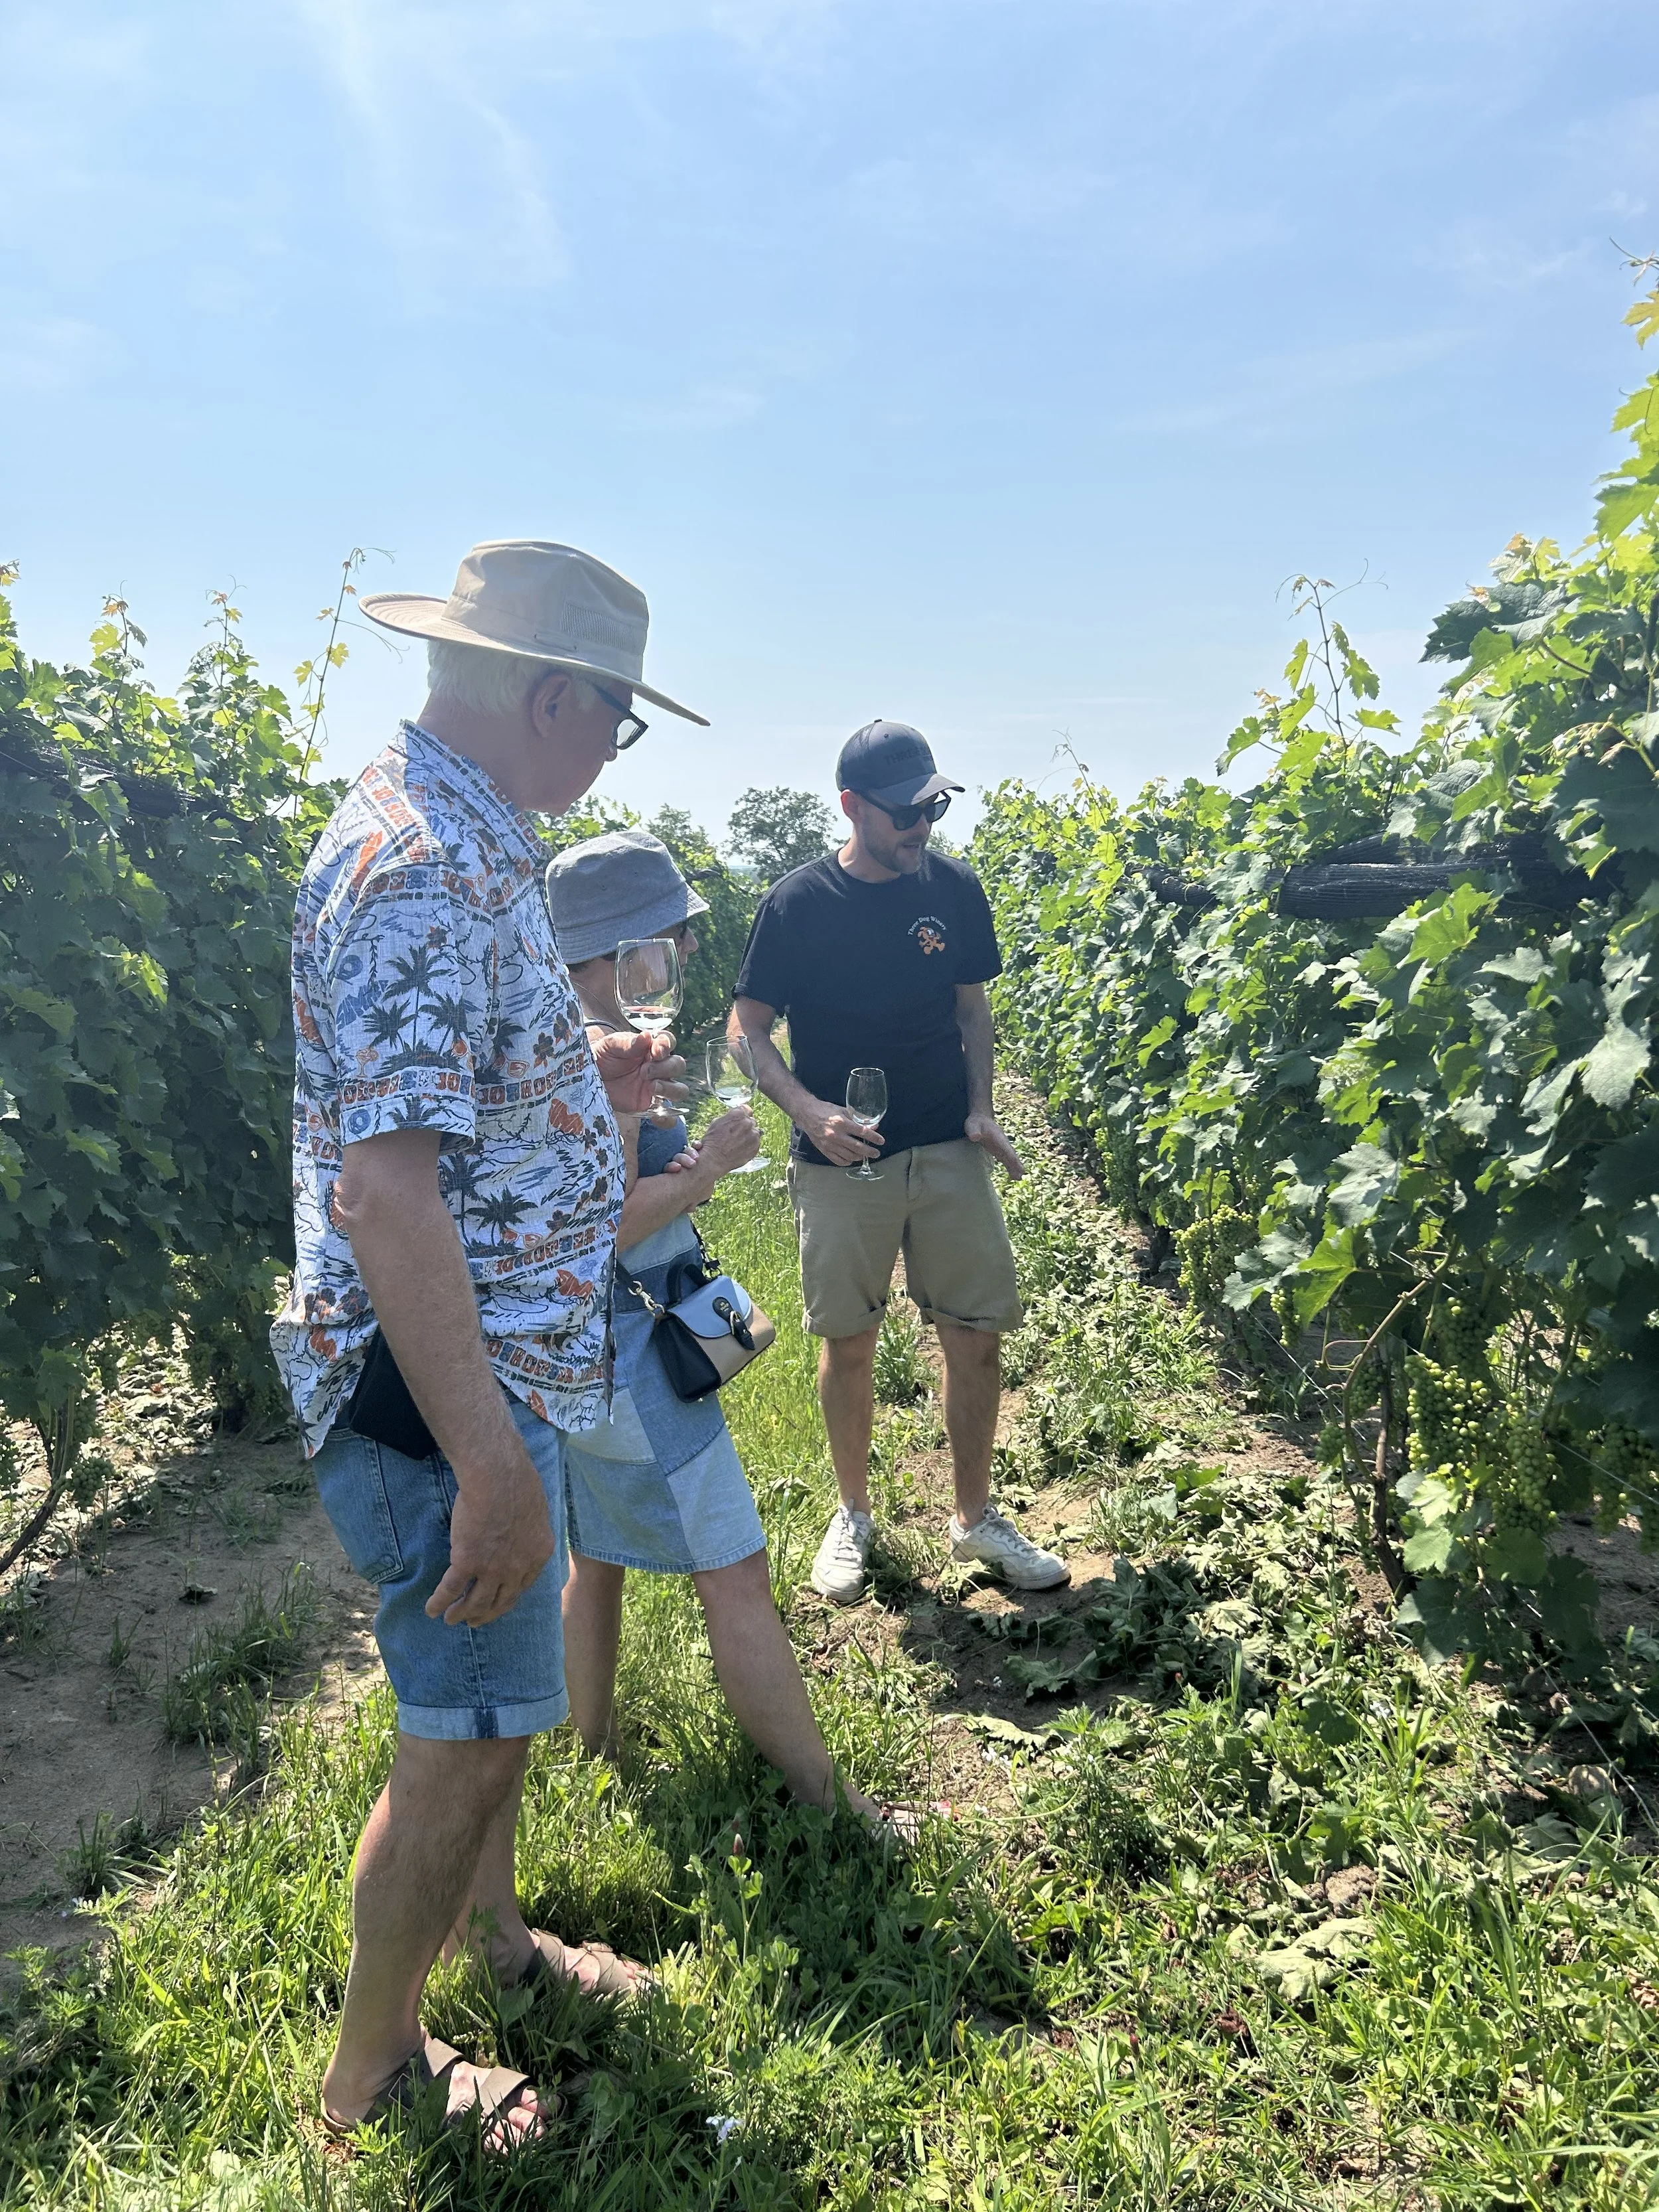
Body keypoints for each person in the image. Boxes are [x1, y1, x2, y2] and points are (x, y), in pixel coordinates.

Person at [270, 540, 703, 2151]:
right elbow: (385, 1195)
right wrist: (487, 1464)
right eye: (616, 721)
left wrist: (575, 1079)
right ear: (550, 696)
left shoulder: (471, 835)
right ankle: (373, 2068)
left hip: (494, 1371)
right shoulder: (423, 866)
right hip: (428, 1399)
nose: (611, 754)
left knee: (496, 1705)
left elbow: (440, 1110)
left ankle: (498, 1943)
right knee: (465, 1726)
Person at [546, 830, 915, 1832]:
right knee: (739, 1572)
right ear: (617, 952)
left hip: (583, 1360)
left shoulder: (564, 1039)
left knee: (598, 1559)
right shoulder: (592, 1056)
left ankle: (591, 1762)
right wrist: (706, 1168)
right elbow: (598, 1230)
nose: (678, 961)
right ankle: (837, 1810)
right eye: (663, 943)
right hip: (633, 1362)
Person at [732, 720, 1068, 1607]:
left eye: (935, 807)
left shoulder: (953, 889)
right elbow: (747, 1030)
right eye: (908, 812)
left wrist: (982, 1107)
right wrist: (808, 1110)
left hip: (946, 1148)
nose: (925, 826)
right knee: (850, 1344)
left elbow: (971, 1012)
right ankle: (853, 1515)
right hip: (845, 1164)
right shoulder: (796, 906)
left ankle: (974, 1518)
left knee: (977, 1337)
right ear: (852, 807)